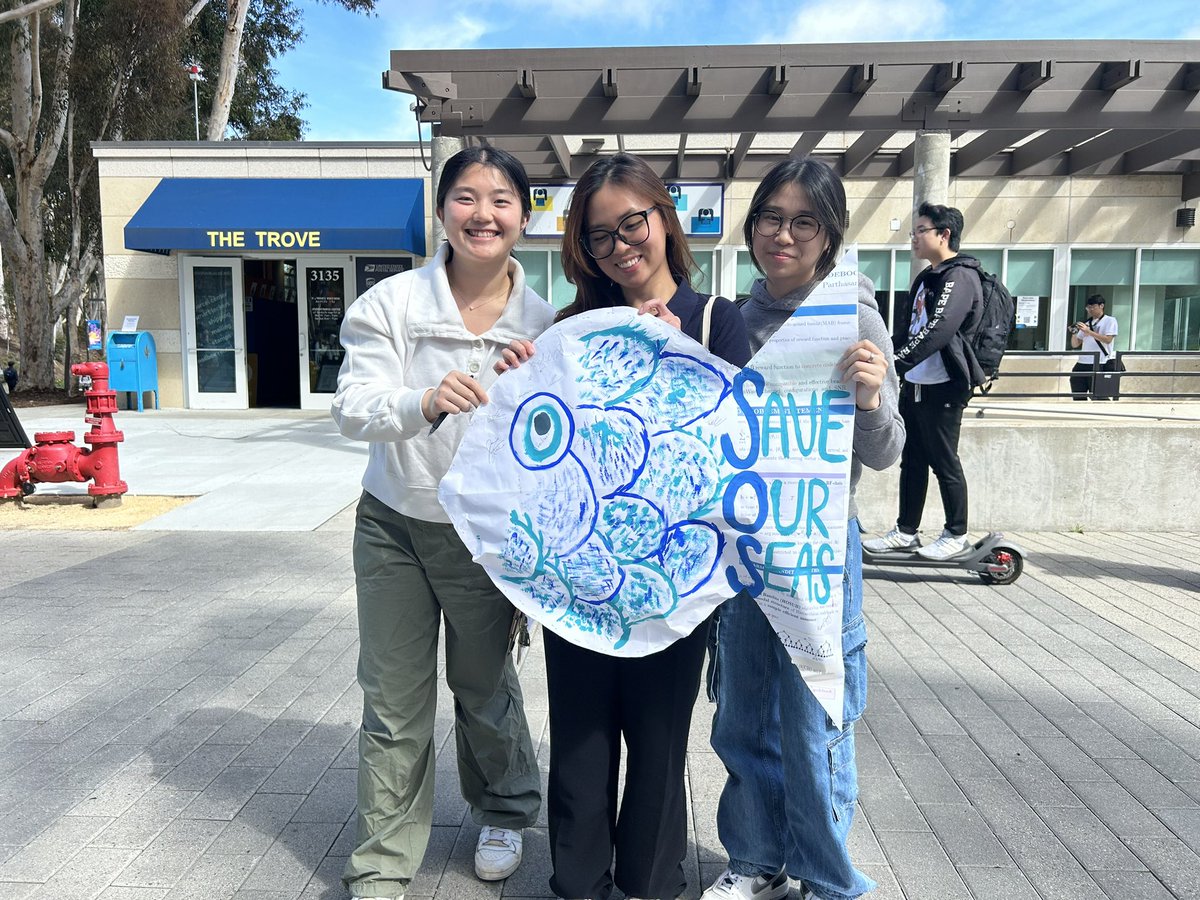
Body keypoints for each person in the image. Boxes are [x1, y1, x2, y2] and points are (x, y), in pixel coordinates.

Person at [501, 151, 751, 900]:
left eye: (630, 225)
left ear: (663, 220)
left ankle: (650, 880)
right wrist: (516, 384)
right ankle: (578, 880)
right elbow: (537, 451)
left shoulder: (718, 320)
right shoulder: (572, 327)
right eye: (599, 236)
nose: (619, 247)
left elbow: (744, 439)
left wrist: (685, 357)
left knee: (659, 737)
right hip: (578, 570)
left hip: (675, 574)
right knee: (579, 732)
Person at [331, 146, 552, 900]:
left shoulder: (543, 322)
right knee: (393, 698)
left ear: (524, 216)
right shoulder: (389, 303)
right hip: (394, 524)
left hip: (484, 535)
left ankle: (506, 810)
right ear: (441, 210)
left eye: (500, 200)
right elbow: (352, 407)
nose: (482, 214)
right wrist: (421, 401)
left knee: (483, 684)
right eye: (465, 197)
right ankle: (382, 861)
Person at [701, 157, 904, 900]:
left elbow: (887, 451)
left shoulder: (855, 318)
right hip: (743, 546)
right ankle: (756, 858)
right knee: (744, 709)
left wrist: (872, 398)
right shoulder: (731, 321)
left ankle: (826, 873)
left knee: (817, 711)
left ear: (830, 235)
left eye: (803, 222)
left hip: (818, 545)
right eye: (770, 219)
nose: (782, 236)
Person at [861, 202, 984, 562]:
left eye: (920, 231)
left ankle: (956, 534)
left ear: (944, 234)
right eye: (913, 231)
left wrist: (896, 363)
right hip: (916, 383)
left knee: (944, 460)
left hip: (944, 384)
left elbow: (938, 330)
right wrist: (886, 356)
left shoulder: (959, 277)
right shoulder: (927, 277)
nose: (914, 237)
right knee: (912, 459)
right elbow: (908, 328)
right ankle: (906, 531)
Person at [1069, 294, 1119, 400]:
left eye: (1093, 307)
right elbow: (1075, 344)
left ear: (1101, 306)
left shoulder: (1110, 320)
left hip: (1100, 362)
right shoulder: (1086, 323)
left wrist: (1089, 332)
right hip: (1082, 362)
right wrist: (1074, 333)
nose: (1090, 310)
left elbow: (1108, 339)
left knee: (1099, 396)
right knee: (1078, 394)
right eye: (1088, 307)